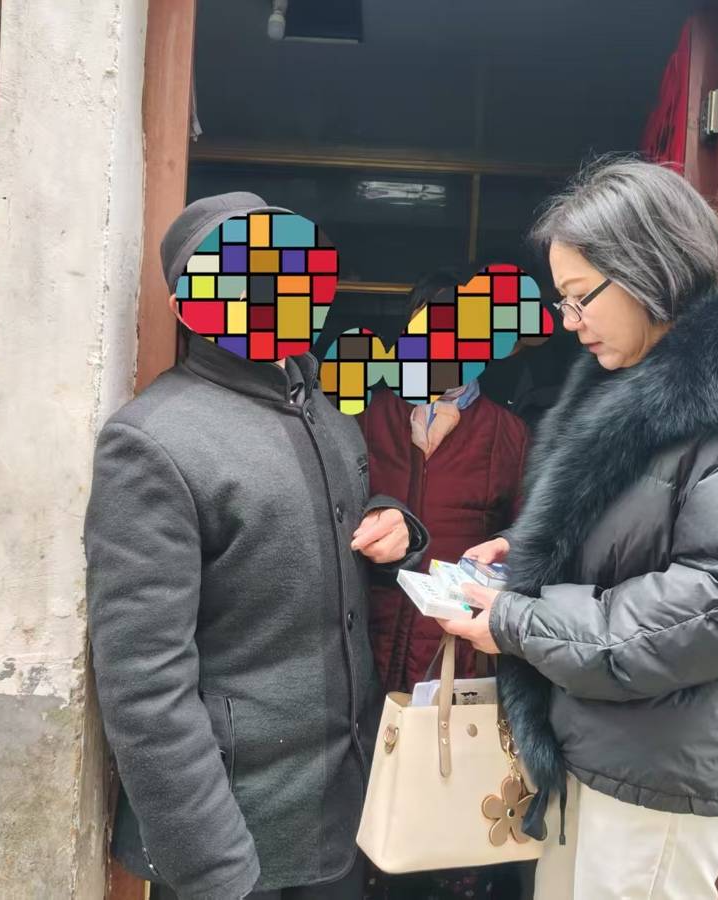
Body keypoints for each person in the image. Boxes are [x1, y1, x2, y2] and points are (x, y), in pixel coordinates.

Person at [441, 159, 718, 899]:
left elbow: (711, 610)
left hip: (666, 774)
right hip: (605, 745)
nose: (568, 322)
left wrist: (519, 621)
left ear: (646, 271)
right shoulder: (635, 394)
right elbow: (630, 540)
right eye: (562, 300)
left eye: (579, 297)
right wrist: (528, 556)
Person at [85, 192, 429, 900]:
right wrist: (213, 867)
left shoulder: (321, 408)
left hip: (338, 811)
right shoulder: (153, 440)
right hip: (238, 833)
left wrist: (395, 529)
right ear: (188, 309)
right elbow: (144, 680)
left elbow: (324, 535)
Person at [357, 271, 529, 900]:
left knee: (448, 785)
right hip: (368, 633)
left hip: (458, 646)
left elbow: (527, 536)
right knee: (369, 784)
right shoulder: (366, 415)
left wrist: (496, 569)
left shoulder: (509, 434)